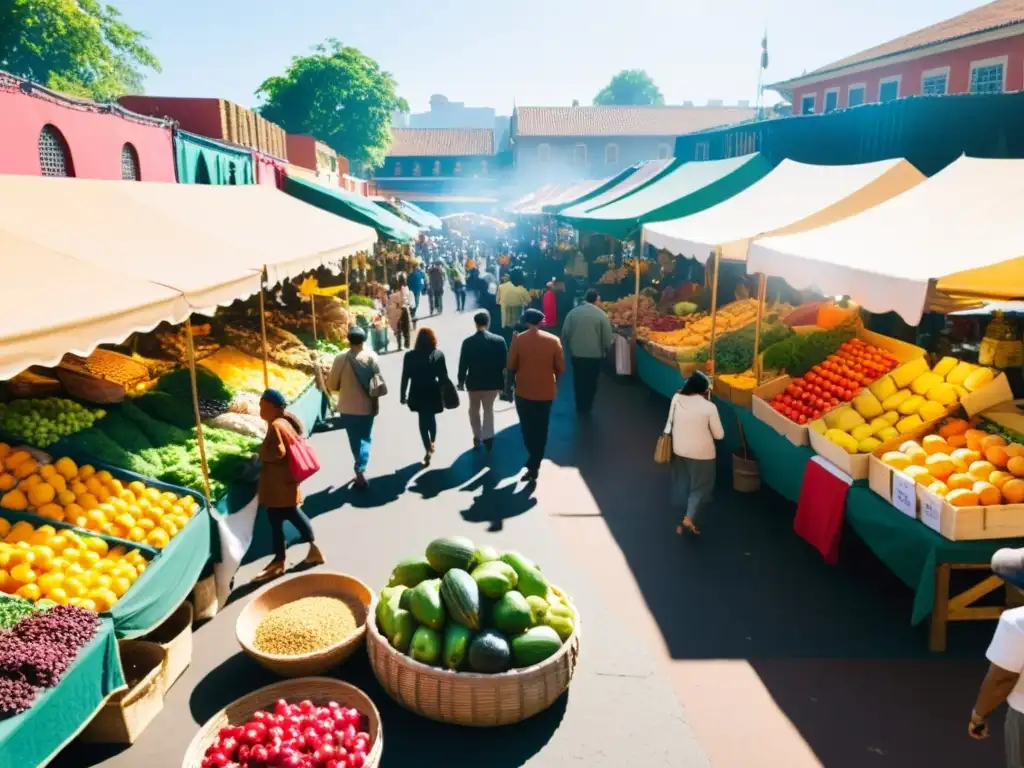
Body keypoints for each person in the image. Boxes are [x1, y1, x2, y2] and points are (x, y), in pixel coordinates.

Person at [253, 388, 323, 582]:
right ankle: (280, 559)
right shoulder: (284, 421)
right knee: (277, 520)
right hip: (284, 484)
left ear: (271, 407)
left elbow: (278, 452)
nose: (260, 409)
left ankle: (311, 550)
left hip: (279, 486)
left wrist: (260, 453)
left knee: (291, 516)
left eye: (262, 406)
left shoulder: (276, 425)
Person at [663, 371, 724, 537]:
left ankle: (684, 508)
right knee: (700, 487)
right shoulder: (709, 407)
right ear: (704, 390)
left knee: (683, 480)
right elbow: (719, 435)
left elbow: (669, 423)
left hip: (679, 448)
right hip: (702, 454)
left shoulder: (676, 398)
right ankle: (688, 520)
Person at [507, 308, 565, 482]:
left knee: (526, 427)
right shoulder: (554, 341)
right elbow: (560, 368)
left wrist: (508, 387)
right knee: (542, 427)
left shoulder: (518, 340)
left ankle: (533, 456)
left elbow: (511, 366)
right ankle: (536, 461)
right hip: (545, 391)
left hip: (523, 391)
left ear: (526, 321)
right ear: (541, 322)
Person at [326, 327, 382, 489]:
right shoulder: (371, 357)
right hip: (366, 406)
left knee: (354, 439)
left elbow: (332, 384)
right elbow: (376, 385)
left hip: (346, 407)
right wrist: (376, 404)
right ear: (364, 340)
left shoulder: (340, 359)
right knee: (365, 437)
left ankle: (359, 465)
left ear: (348, 340)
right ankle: (360, 468)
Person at [458, 311, 508, 451]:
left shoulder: (468, 342)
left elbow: (463, 364)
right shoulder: (499, 341)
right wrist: (506, 384)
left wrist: (461, 381)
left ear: (475, 324)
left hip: (474, 383)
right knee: (488, 410)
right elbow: (505, 364)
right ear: (488, 323)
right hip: (493, 383)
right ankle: (488, 437)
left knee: (473, 410)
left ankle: (477, 435)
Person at [561, 289, 614, 415]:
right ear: (596, 300)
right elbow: (607, 338)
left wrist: (566, 348)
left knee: (578, 380)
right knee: (591, 381)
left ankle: (580, 405)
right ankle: (587, 405)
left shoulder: (573, 313)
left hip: (577, 354)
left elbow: (565, 333)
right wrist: (607, 349)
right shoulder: (602, 315)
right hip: (595, 356)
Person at [401, 328, 449, 465]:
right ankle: (432, 442)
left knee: (422, 420)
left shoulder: (410, 356)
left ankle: (427, 447)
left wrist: (402, 394)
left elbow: (405, 377)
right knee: (431, 417)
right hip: (433, 390)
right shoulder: (438, 354)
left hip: (416, 390)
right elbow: (443, 376)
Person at [497, 271, 531, 338]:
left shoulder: (501, 287)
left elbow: (497, 302)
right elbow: (529, 304)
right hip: (518, 326)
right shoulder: (522, 290)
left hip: (503, 324)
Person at [386, 276, 413, 351]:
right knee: (405, 327)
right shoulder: (405, 289)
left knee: (399, 327)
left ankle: (400, 345)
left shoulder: (392, 290)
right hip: (403, 309)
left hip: (396, 310)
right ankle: (406, 344)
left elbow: (390, 301)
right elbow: (408, 301)